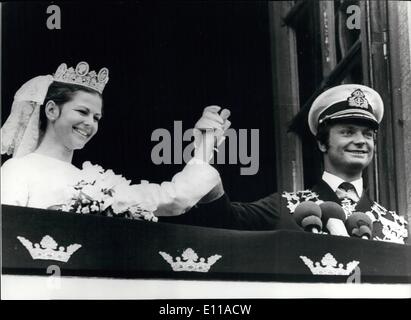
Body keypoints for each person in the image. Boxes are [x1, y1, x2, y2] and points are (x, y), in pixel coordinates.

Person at [163, 84, 408, 244]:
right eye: (347, 132)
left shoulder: (398, 227)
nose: (360, 141)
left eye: (367, 134)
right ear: (322, 143)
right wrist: (203, 151)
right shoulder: (285, 206)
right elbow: (221, 219)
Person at [1, 61, 230, 218]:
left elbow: (171, 199)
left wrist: (205, 147)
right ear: (51, 110)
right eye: (82, 112)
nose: (90, 123)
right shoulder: (17, 170)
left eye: (97, 117)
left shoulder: (93, 182)